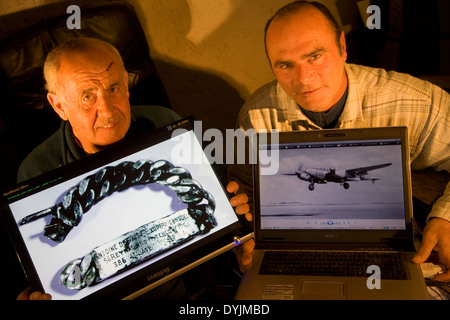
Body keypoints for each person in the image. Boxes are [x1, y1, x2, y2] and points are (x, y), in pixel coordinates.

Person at [228, 1, 450, 281]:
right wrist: (242, 239)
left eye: (315, 56)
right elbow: (242, 197)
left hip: (396, 244)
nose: (304, 79)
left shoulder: (416, 100)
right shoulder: (255, 118)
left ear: (343, 48)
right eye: (285, 65)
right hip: (301, 248)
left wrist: (446, 216)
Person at [15, 37, 250, 299]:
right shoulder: (36, 170)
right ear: (59, 105)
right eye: (87, 96)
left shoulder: (167, 123)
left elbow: (217, 225)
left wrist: (237, 232)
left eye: (113, 88)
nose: (106, 110)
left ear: (126, 84)